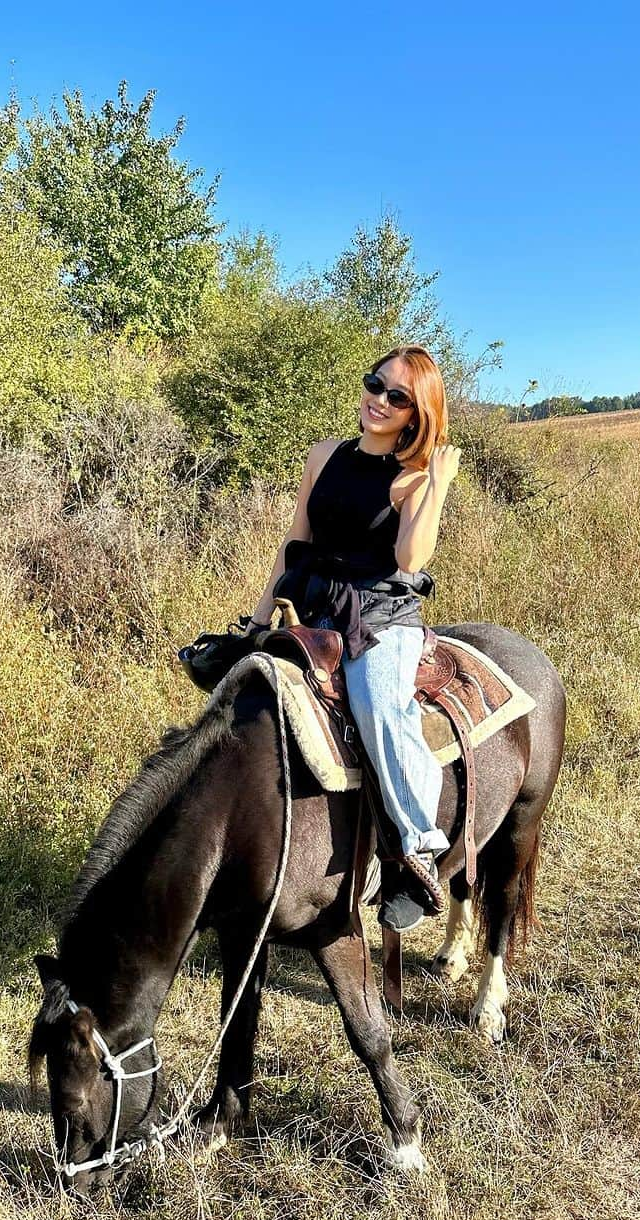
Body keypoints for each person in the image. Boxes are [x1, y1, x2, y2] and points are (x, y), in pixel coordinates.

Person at [244, 344, 461, 933]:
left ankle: (415, 849)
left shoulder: (412, 476)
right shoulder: (323, 456)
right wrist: (257, 622)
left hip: (381, 614)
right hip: (314, 607)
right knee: (240, 687)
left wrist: (435, 482)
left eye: (398, 397)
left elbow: (411, 558)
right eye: (376, 383)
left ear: (416, 413)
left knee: (376, 704)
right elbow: (295, 545)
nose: (379, 400)